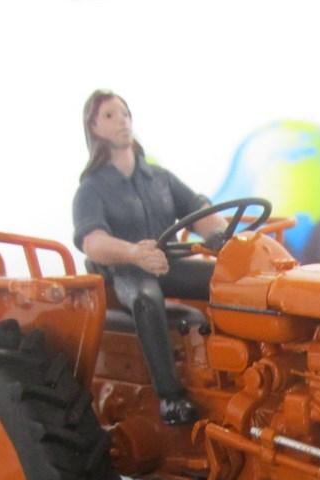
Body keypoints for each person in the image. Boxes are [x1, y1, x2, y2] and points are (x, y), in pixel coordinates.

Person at [73, 90, 227, 425]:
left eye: (125, 113)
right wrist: (133, 253)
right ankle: (170, 397)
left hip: (167, 264)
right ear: (94, 128)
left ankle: (237, 369)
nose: (122, 121)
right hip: (127, 272)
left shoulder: (159, 179)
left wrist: (218, 232)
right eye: (110, 116)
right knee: (146, 298)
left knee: (227, 280)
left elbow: (198, 211)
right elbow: (93, 241)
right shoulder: (92, 189)